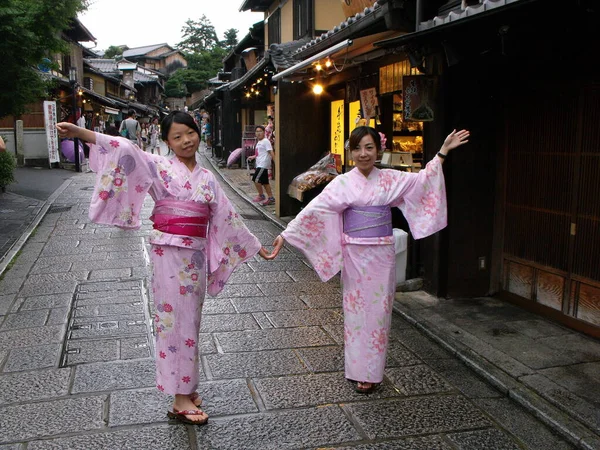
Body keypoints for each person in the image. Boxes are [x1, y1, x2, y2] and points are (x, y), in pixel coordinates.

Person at [56, 112, 271, 425]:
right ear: (167, 142)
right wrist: (80, 132)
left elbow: (228, 217)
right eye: (177, 137)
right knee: (173, 322)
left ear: (198, 133)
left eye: (190, 133)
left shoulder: (207, 178)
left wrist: (256, 246)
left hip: (194, 256)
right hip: (168, 252)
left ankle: (186, 387)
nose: (186, 141)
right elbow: (125, 149)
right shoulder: (158, 165)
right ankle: (180, 397)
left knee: (190, 323)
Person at [265, 126, 470, 393]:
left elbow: (422, 181)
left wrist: (443, 151)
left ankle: (372, 372)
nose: (364, 154)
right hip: (355, 254)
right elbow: (317, 209)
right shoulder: (341, 183)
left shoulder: (390, 179)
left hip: (381, 255)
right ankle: (357, 369)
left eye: (369, 147)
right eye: (358, 148)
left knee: (378, 313)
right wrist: (288, 233)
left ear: (378, 150)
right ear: (351, 152)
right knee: (355, 312)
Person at [247, 125, 275, 206]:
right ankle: (271, 198)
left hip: (263, 164)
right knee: (265, 182)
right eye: (257, 131)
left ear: (264, 132)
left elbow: (271, 152)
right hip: (259, 163)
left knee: (256, 179)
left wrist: (276, 162)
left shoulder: (266, 141)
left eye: (260, 131)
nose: (258, 133)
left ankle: (261, 195)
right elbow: (260, 153)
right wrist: (253, 157)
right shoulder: (259, 142)